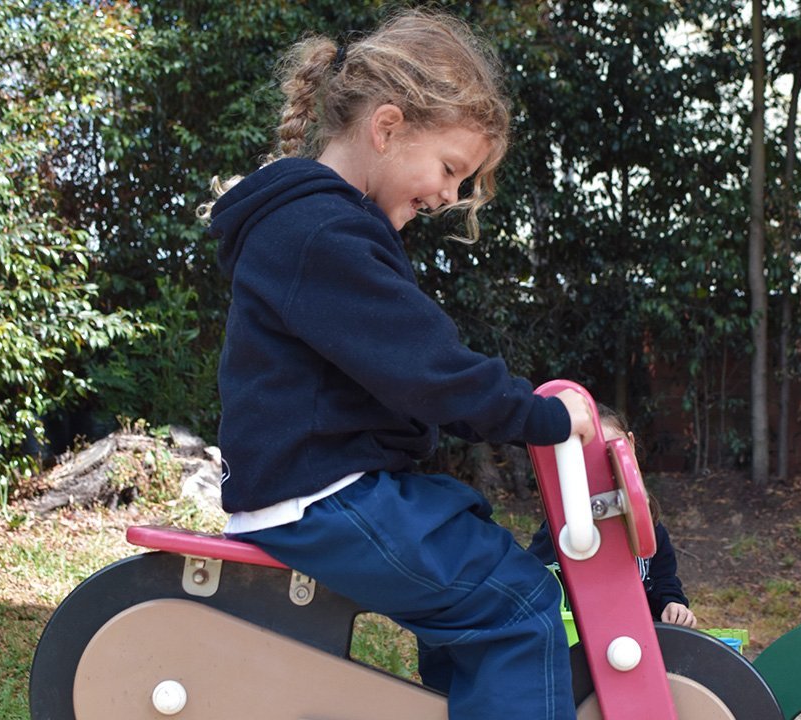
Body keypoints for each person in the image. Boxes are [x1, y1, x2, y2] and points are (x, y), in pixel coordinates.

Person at [204, 11, 593, 720]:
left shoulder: (320, 226)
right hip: (322, 496)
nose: (449, 195)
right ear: (386, 127)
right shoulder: (322, 233)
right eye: (449, 169)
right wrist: (540, 417)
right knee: (517, 601)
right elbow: (428, 368)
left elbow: (405, 369)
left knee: (476, 569)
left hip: (329, 485)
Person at [528, 405, 697, 629]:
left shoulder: (653, 530)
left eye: (611, 453)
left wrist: (673, 604)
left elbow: (663, 583)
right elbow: (533, 584)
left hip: (642, 640)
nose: (604, 467)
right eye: (590, 458)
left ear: (631, 444)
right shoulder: (563, 533)